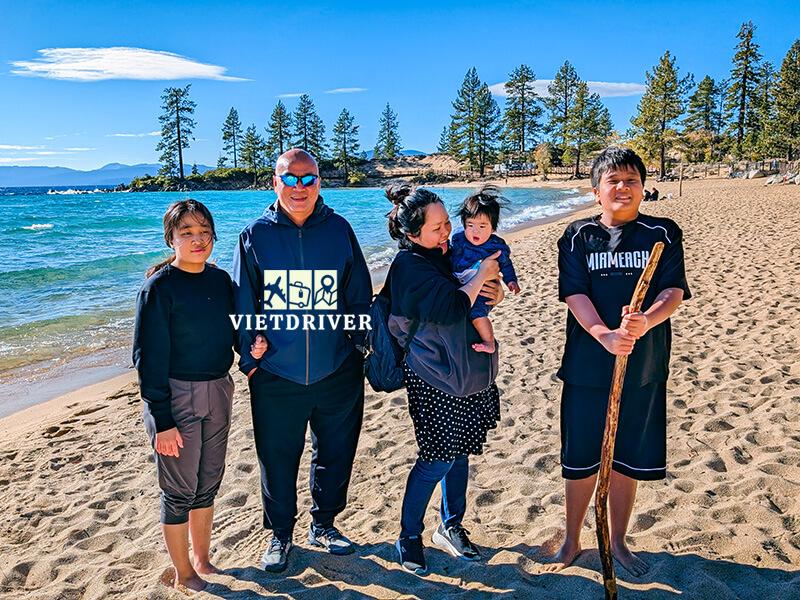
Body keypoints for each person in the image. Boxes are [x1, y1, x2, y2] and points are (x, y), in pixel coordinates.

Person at [547, 147, 690, 576]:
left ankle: (618, 541)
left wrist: (645, 321)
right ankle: (572, 539)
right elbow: (576, 294)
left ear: (644, 188)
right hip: (587, 366)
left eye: (631, 180)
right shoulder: (577, 236)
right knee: (581, 457)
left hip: (643, 365)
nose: (622, 187)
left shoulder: (662, 233)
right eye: (613, 181)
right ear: (596, 192)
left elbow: (673, 291)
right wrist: (603, 335)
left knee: (626, 456)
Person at [232, 149, 372, 572]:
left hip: (337, 369)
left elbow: (359, 294)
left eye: (308, 179)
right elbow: (243, 298)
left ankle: (324, 524)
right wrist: (249, 358)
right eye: (289, 179)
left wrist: (359, 348)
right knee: (277, 458)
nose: (299, 187)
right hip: (276, 373)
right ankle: (279, 535)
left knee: (336, 452)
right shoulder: (254, 235)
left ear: (319, 182)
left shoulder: (339, 230)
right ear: (274, 183)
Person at [133, 200, 266, 591]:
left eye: (204, 231)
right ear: (170, 238)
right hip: (175, 397)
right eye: (186, 232)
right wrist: (162, 421)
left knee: (207, 484)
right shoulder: (159, 288)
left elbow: (233, 332)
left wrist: (250, 348)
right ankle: (183, 573)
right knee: (178, 492)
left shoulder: (222, 281)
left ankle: (202, 561)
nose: (197, 239)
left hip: (219, 389)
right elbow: (147, 358)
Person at [385, 184, 504, 575]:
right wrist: (482, 275)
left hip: (467, 371)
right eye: (436, 228)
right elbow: (453, 306)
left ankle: (450, 526)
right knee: (437, 458)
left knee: (462, 451)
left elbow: (482, 295)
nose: (445, 232)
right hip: (433, 376)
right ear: (412, 234)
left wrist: (494, 289)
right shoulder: (409, 267)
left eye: (447, 224)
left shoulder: (447, 255)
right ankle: (408, 535)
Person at [450, 185, 520, 353]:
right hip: (463, 282)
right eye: (470, 225)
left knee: (476, 314)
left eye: (482, 226)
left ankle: (488, 342)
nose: (475, 231)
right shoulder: (459, 239)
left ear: (493, 228)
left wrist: (511, 281)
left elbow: (506, 265)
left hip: (483, 291)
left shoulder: (495, 246)